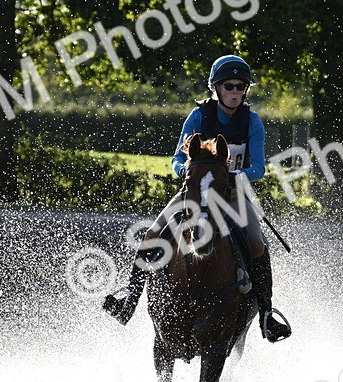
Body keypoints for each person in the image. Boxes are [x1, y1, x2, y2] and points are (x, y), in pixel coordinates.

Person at [102, 55, 292, 343]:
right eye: (229, 86)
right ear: (216, 87)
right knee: (153, 234)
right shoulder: (199, 116)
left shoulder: (252, 122)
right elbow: (177, 158)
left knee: (256, 243)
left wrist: (229, 175)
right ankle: (129, 298)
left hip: (233, 194)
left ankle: (266, 313)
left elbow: (259, 168)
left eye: (241, 87)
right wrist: (187, 170)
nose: (235, 92)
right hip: (195, 192)